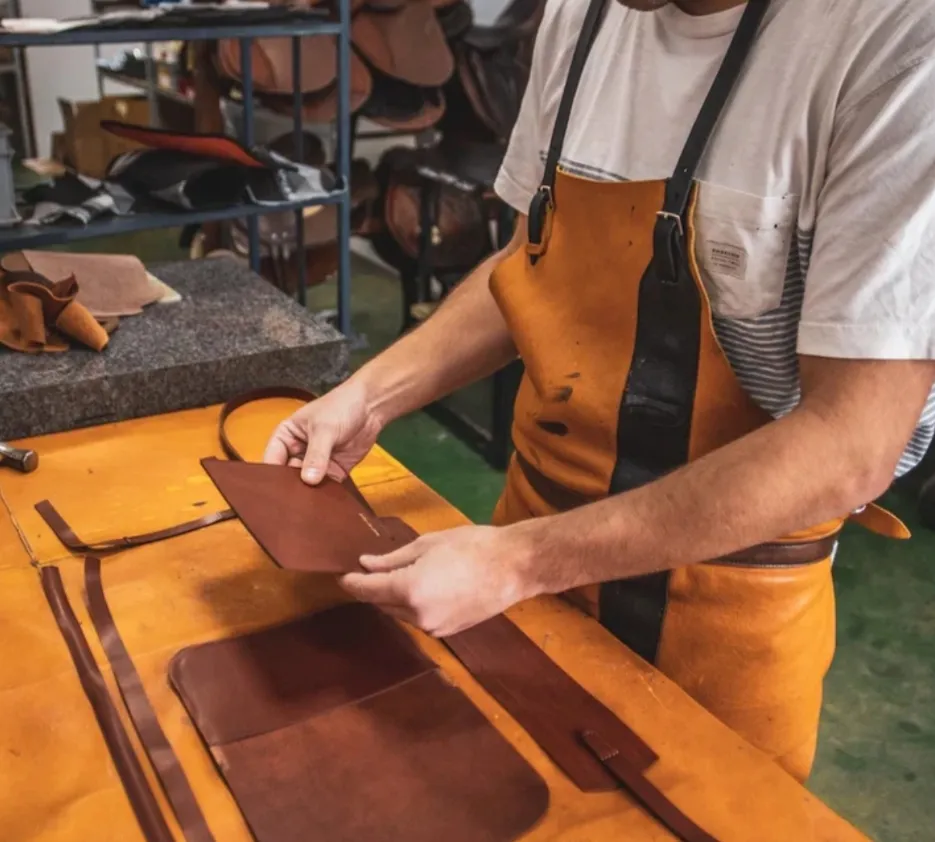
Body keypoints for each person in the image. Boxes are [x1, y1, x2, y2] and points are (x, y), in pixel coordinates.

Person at [264, 0, 935, 781]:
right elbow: (531, 261)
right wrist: (371, 394)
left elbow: (851, 443)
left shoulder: (895, 40)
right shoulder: (581, 15)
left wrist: (521, 563)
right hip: (523, 543)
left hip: (724, 606)